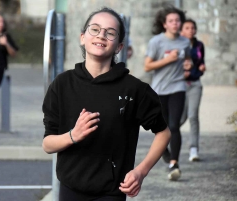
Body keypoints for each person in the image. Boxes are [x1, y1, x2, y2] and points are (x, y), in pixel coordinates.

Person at [42, 7, 170, 200]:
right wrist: (73, 135)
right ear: (82, 37)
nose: (101, 35)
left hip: (111, 193)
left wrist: (140, 172)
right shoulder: (62, 84)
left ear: (119, 46)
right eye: (95, 29)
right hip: (70, 190)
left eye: (110, 33)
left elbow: (163, 132)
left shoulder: (134, 89)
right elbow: (48, 144)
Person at [144, 5, 192, 181]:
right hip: (159, 90)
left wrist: (188, 66)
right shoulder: (156, 42)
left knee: (174, 125)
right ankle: (164, 149)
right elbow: (147, 66)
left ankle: (174, 163)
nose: (175, 23)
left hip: (178, 87)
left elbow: (187, 60)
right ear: (164, 24)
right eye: (171, 21)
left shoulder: (185, 42)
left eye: (177, 20)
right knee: (161, 127)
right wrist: (167, 60)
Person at [180, 19, 206, 162]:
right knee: (179, 119)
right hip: (179, 86)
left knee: (193, 115)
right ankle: (166, 142)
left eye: (192, 28)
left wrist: (199, 69)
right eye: (187, 27)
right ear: (182, 30)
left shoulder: (199, 45)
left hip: (195, 84)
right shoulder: (178, 45)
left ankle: (193, 149)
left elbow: (201, 65)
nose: (190, 30)